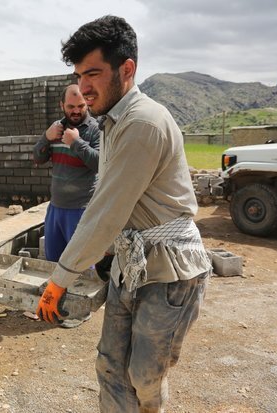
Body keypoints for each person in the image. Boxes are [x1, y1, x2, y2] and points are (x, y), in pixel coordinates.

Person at [36, 16, 212, 413]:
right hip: (130, 264)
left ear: (127, 69)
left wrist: (60, 278)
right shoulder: (113, 120)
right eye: (80, 75)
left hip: (169, 272)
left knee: (145, 378)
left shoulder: (142, 123)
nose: (83, 87)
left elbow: (106, 210)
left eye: (93, 74)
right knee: (111, 367)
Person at [33, 84, 100, 263]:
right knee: (53, 263)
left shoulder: (95, 129)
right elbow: (38, 158)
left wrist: (76, 142)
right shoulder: (56, 129)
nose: (76, 111)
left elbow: (100, 163)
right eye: (71, 107)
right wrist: (46, 137)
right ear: (62, 105)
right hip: (55, 209)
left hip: (81, 210)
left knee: (81, 267)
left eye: (81, 106)